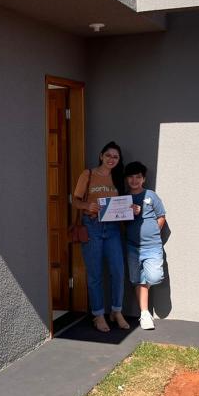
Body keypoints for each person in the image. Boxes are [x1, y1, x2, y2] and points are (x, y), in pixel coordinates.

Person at [72, 141, 130, 332]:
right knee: (95, 273)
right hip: (92, 226)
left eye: (115, 157)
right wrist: (87, 206)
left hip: (113, 229)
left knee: (118, 271)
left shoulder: (118, 177)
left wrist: (129, 209)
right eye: (108, 155)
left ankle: (116, 311)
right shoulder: (88, 174)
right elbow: (75, 200)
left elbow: (123, 203)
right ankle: (98, 314)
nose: (111, 159)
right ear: (101, 156)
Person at [124, 161, 167, 330]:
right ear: (127, 179)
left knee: (155, 277)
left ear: (143, 179)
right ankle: (144, 314)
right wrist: (130, 213)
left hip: (153, 246)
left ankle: (144, 311)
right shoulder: (124, 198)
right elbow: (119, 221)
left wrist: (154, 230)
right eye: (131, 177)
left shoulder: (151, 195)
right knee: (137, 279)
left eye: (138, 177)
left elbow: (161, 215)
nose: (134, 180)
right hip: (132, 246)